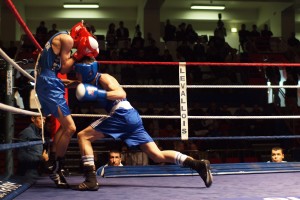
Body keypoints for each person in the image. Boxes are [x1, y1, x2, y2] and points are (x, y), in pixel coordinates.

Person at [71, 58, 213, 191]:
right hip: (131, 117)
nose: (76, 75)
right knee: (157, 156)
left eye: (78, 72)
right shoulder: (89, 82)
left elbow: (121, 93)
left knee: (83, 136)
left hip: (121, 115)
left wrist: (98, 94)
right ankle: (198, 165)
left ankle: (90, 179)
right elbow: (74, 84)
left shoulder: (104, 78)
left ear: (86, 71)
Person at [35, 20, 99, 188]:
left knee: (64, 127)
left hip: (49, 82)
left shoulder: (62, 37)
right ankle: (57, 167)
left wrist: (76, 84)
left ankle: (52, 163)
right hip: (49, 83)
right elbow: (64, 68)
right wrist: (79, 54)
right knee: (71, 128)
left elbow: (57, 71)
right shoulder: (68, 40)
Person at [17, 114, 48, 178]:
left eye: (44, 119)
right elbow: (21, 156)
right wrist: (41, 158)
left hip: (36, 173)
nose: (43, 121)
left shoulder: (39, 133)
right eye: (40, 118)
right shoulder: (26, 133)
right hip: (27, 175)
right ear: (33, 119)